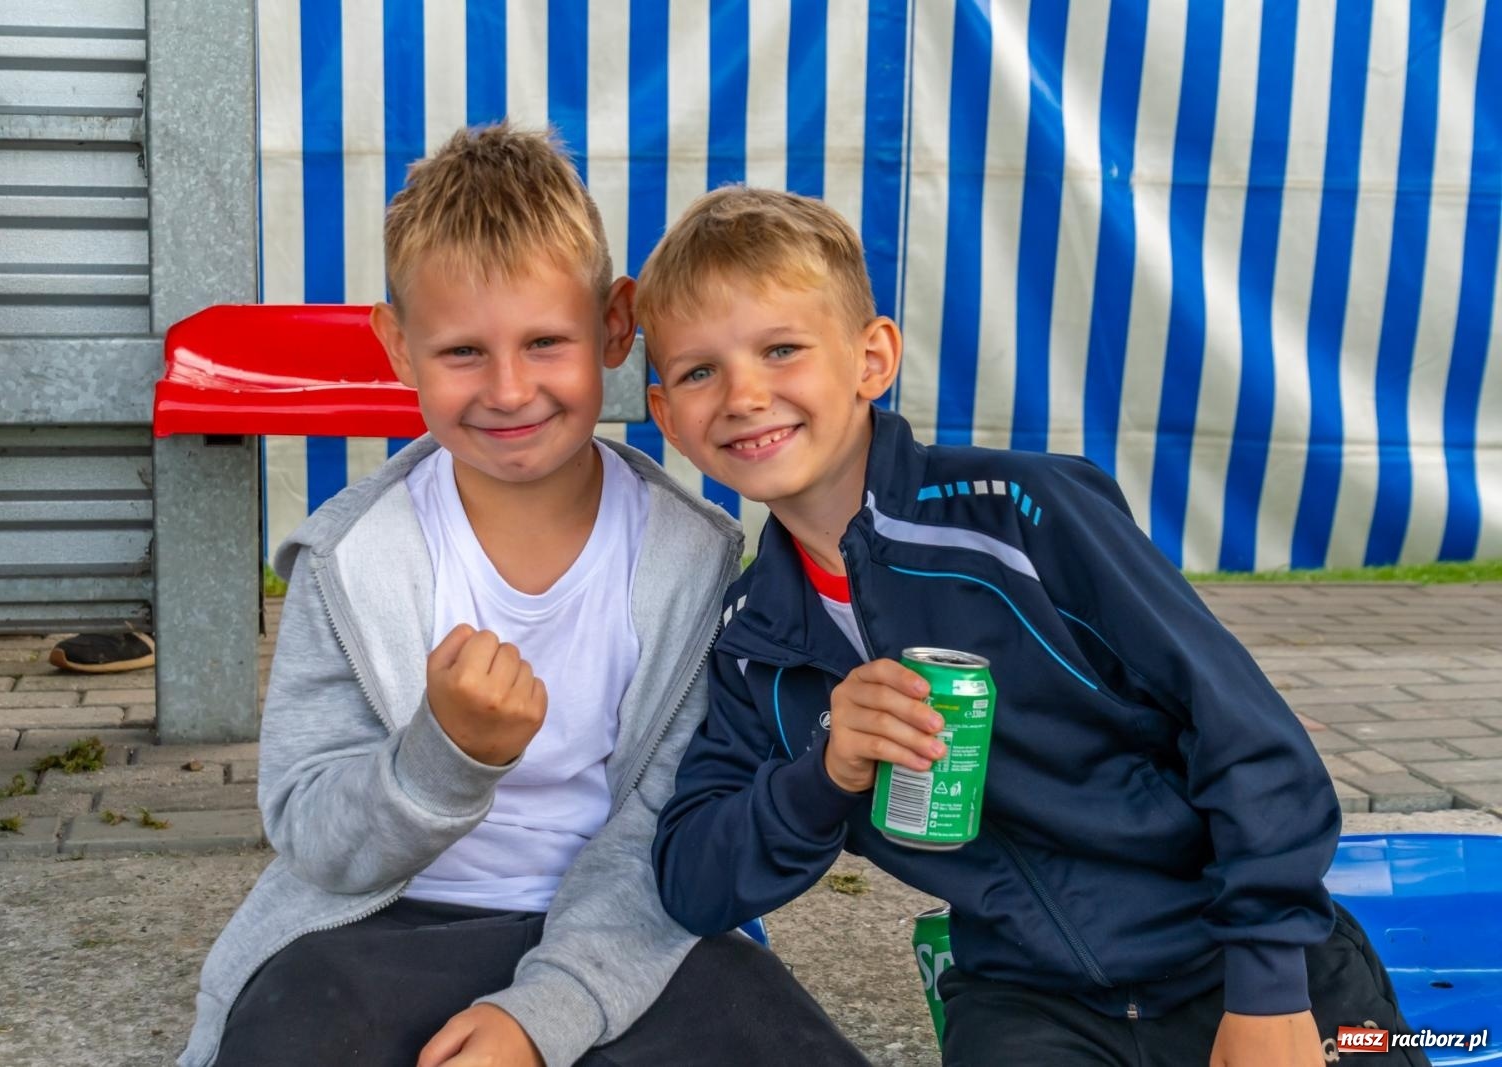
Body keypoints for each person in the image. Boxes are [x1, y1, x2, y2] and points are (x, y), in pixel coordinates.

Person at [640, 186, 1428, 1067]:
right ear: (666, 413)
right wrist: (822, 772)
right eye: (700, 370)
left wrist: (1271, 988)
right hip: (1027, 999)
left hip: (1239, 960)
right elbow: (692, 878)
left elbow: (1250, 737)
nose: (744, 394)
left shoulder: (1024, 513)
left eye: (781, 349)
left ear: (872, 359)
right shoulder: (752, 643)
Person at [179, 126, 865, 1067]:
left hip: (632, 931)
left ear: (616, 325)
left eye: (547, 342)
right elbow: (311, 832)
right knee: (292, 1031)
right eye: (463, 351)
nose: (509, 390)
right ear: (397, 346)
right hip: (382, 928)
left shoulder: (694, 561)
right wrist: (442, 758)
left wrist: (542, 1014)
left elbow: (669, 822)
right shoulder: (353, 559)